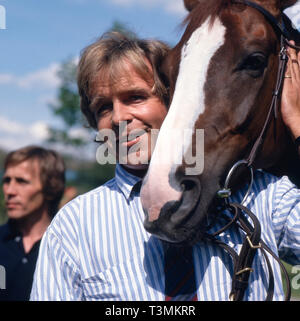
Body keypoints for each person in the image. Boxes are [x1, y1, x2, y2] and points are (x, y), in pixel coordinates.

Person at [30, 31, 300, 301]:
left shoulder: (259, 193)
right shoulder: (74, 227)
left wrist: (297, 125)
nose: (119, 117)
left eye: (135, 97)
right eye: (103, 108)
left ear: (175, 102)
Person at [0, 145, 65, 301]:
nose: (10, 191)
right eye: (7, 180)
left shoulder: (67, 246)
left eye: (22, 181)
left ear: (51, 187)